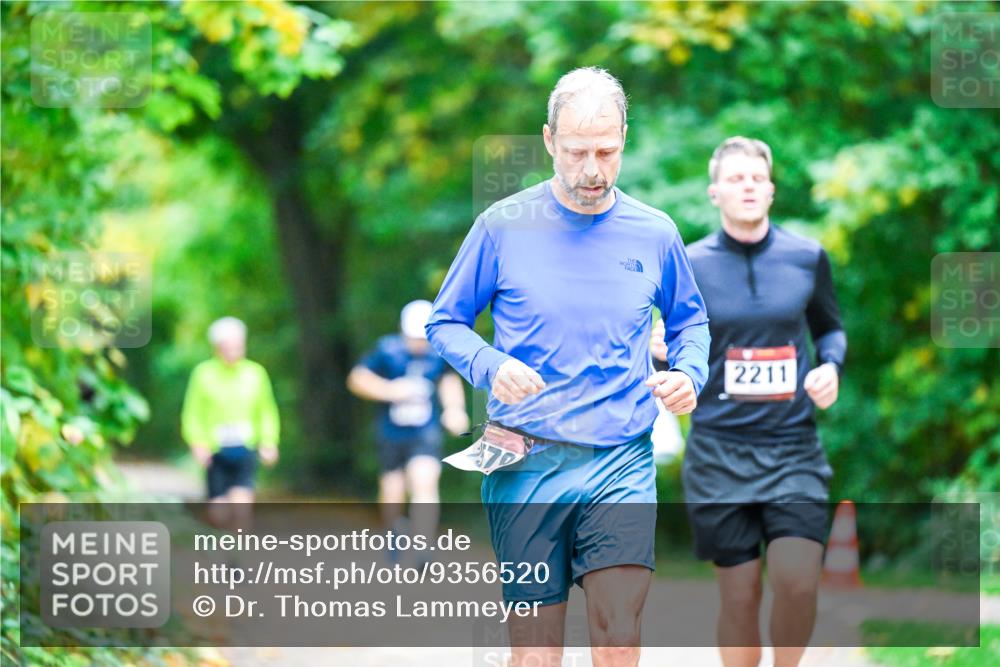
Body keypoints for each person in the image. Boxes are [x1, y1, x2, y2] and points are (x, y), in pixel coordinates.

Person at [426, 67, 710, 667]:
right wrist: (488, 362)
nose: (592, 170)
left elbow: (691, 324)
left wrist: (689, 373)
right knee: (535, 654)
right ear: (549, 140)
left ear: (625, 138)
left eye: (606, 152)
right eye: (577, 151)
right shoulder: (502, 227)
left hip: (619, 460)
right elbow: (445, 321)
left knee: (618, 637)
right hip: (524, 461)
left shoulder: (655, 233)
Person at [655, 136, 847, 667]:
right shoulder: (689, 265)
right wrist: (659, 356)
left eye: (757, 178)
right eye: (736, 178)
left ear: (771, 191)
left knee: (797, 580)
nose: (747, 186)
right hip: (718, 452)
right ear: (715, 192)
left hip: (793, 448)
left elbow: (830, 330)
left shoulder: (807, 257)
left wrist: (830, 366)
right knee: (739, 597)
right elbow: (668, 347)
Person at [347, 300, 469, 554]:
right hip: (390, 433)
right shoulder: (386, 350)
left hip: (425, 432)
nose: (419, 345)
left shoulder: (438, 354)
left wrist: (454, 410)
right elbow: (357, 378)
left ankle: (423, 543)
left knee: (425, 480)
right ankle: (392, 533)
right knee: (393, 488)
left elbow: (449, 382)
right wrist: (389, 390)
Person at [181, 317, 280, 530]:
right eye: (229, 347)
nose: (234, 352)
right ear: (217, 348)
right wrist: (197, 443)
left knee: (241, 506)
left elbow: (266, 410)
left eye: (238, 346)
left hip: (245, 448)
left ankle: (238, 558)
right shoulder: (203, 374)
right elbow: (192, 412)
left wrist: (269, 441)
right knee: (218, 512)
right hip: (215, 451)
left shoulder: (255, 373)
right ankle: (223, 547)